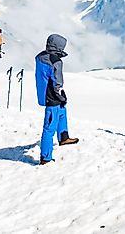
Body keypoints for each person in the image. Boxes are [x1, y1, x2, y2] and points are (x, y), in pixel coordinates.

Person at [35, 33, 79, 165]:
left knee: (62, 112)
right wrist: (61, 95)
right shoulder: (56, 61)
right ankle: (45, 158)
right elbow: (57, 82)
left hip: (45, 93)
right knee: (49, 127)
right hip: (52, 96)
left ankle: (64, 137)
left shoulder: (40, 57)